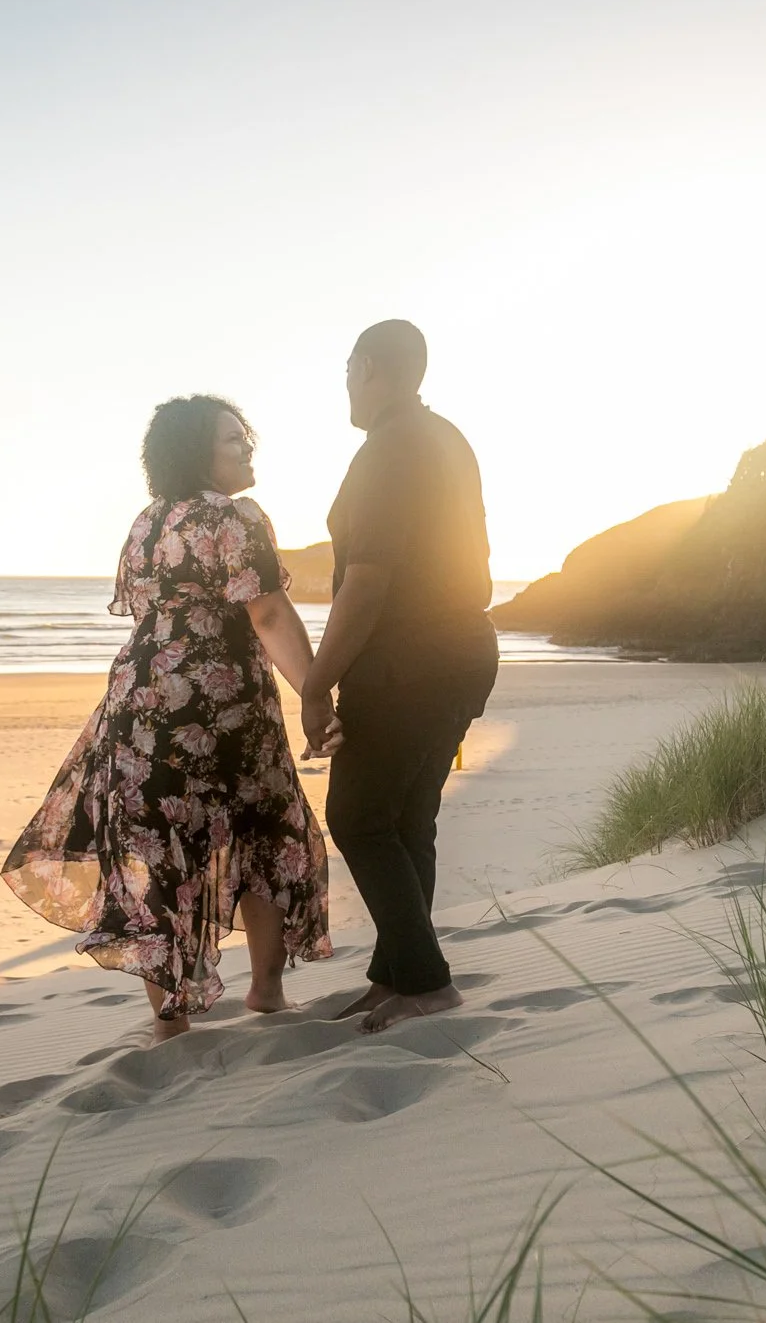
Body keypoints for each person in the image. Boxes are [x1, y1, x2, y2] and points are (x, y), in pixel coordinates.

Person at [2, 395, 335, 1043]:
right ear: (196, 452)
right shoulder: (236, 517)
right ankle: (266, 989)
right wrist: (315, 690)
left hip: (141, 701)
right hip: (224, 700)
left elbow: (150, 614)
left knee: (156, 847)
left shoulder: (148, 521)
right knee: (263, 828)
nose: (246, 449)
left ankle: (170, 1019)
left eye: (247, 438)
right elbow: (265, 613)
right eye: (232, 440)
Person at [304, 320, 498, 1033]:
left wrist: (315, 681)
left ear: (371, 368)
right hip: (463, 650)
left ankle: (425, 981)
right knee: (407, 817)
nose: (346, 383)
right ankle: (397, 976)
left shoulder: (389, 448)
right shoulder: (446, 436)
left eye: (349, 368)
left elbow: (369, 582)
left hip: (410, 660)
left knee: (356, 816)